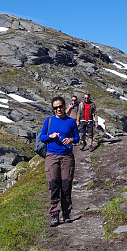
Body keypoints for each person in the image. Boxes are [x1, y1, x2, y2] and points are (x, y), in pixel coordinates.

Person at [39, 96, 80, 226]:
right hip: (52, 156)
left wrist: (71, 140)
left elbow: (77, 137)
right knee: (54, 186)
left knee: (66, 186)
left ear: (64, 107)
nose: (58, 109)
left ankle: (66, 213)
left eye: (60, 107)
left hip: (67, 157)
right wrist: (50, 136)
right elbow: (42, 137)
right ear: (53, 109)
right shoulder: (49, 120)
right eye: (55, 108)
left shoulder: (71, 121)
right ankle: (54, 214)